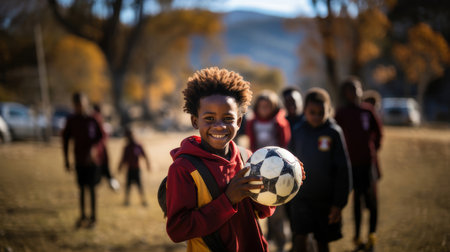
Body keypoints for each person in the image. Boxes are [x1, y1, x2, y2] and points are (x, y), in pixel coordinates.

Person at [166, 67, 280, 251]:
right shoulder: (184, 168)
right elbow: (178, 230)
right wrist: (228, 200)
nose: (219, 126)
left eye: (228, 118)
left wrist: (284, 178)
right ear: (195, 121)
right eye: (209, 118)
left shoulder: (247, 157)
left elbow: (262, 210)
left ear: (239, 122)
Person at [288, 88, 352, 252]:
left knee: (322, 241)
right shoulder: (298, 131)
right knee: (299, 237)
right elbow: (288, 162)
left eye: (320, 112)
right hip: (300, 198)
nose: (316, 116)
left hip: (326, 200)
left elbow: (343, 169)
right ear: (305, 111)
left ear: (328, 110)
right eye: (312, 112)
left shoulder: (333, 132)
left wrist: (339, 203)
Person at [335, 77, 383, 252]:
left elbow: (378, 133)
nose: (355, 92)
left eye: (357, 88)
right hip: (351, 166)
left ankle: (371, 235)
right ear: (345, 93)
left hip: (368, 165)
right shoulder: (341, 113)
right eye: (351, 89)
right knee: (357, 200)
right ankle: (357, 236)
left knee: (372, 200)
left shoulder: (367, 111)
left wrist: (372, 149)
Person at [246, 89, 292, 252]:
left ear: (274, 107)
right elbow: (251, 144)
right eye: (262, 106)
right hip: (258, 169)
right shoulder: (252, 123)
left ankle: (281, 241)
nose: (264, 109)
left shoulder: (279, 122)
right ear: (257, 107)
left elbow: (285, 145)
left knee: (277, 207)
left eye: (268, 106)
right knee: (258, 206)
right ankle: (266, 238)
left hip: (277, 170)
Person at [62, 92, 103, 228]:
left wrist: (95, 149)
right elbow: (66, 140)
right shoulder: (71, 120)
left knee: (92, 189)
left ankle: (93, 218)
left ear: (86, 103)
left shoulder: (93, 118)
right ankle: (82, 216)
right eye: (77, 105)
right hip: (79, 160)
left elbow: (102, 136)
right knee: (81, 189)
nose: (79, 107)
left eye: (81, 104)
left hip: (92, 161)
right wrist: (66, 160)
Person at [118, 127, 151, 206]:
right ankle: (127, 201)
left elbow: (144, 155)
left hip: (137, 169)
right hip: (130, 169)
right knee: (128, 186)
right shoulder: (127, 147)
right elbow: (123, 159)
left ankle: (143, 201)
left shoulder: (138, 145)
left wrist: (148, 165)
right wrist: (119, 167)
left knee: (140, 186)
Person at [91, 104, 120, 192]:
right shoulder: (97, 119)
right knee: (106, 172)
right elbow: (104, 136)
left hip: (98, 153)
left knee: (103, 172)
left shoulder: (94, 118)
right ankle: (113, 186)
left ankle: (111, 186)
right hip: (100, 152)